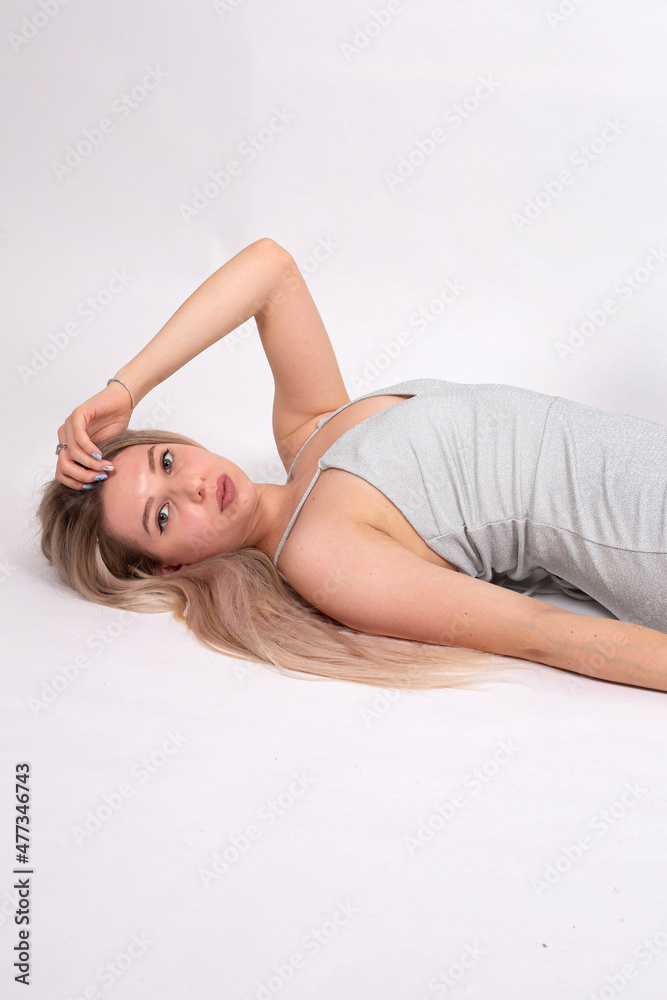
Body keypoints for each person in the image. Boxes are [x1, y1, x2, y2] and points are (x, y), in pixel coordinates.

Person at [38, 238, 667, 693]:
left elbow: (271, 270)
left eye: (167, 460)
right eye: (165, 513)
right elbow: (541, 631)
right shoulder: (323, 559)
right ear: (173, 565)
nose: (194, 484)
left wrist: (126, 388)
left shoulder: (310, 432)